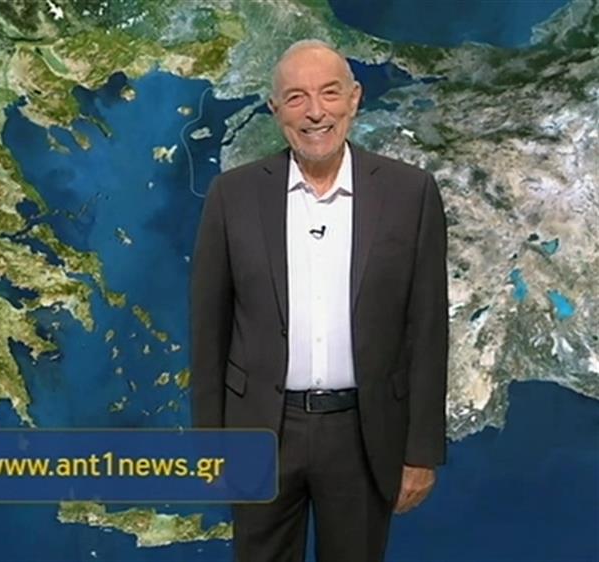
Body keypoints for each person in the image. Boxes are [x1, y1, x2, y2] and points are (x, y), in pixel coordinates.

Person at [189, 39, 449, 562]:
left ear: (354, 98)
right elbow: (208, 330)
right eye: (296, 97)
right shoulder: (232, 196)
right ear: (275, 109)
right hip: (261, 434)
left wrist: (422, 451)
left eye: (329, 93)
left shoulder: (410, 194)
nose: (315, 112)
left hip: (363, 436)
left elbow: (427, 330)